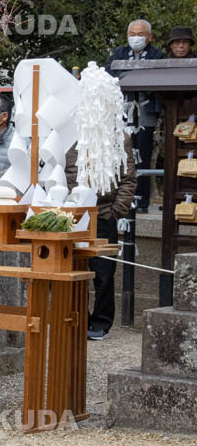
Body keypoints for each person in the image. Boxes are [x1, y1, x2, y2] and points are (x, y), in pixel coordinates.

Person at [63, 133, 138, 341]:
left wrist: (116, 212)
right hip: (69, 211)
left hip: (104, 212)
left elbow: (128, 178)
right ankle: (78, 317)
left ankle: (101, 322)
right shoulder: (67, 132)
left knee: (103, 273)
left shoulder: (118, 137)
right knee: (69, 270)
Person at [106, 19, 164, 212]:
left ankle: (142, 201)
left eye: (140, 34)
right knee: (121, 157)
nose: (136, 38)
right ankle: (121, 201)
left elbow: (156, 80)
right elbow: (109, 76)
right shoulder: (119, 53)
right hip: (121, 113)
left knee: (143, 155)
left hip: (145, 113)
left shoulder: (157, 55)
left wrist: (128, 76)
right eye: (133, 34)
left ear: (149, 37)